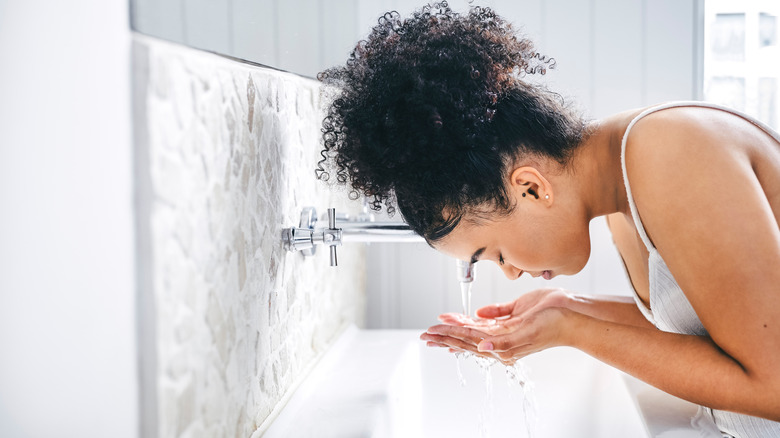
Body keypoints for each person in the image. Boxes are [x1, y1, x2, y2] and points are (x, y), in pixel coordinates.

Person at [315, 3, 780, 436]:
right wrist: (569, 308)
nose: (512, 272)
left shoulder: (669, 153)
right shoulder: (623, 184)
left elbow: (772, 386)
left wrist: (572, 330)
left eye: (493, 254)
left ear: (531, 187)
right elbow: (714, 333)